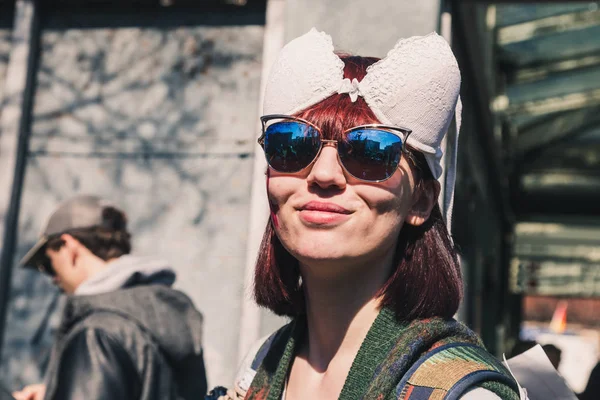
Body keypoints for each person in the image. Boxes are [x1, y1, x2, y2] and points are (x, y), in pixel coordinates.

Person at [208, 29, 522, 400]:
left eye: (372, 152)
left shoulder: (462, 394)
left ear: (421, 202)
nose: (324, 174)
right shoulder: (259, 365)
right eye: (290, 145)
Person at [13, 195, 207, 400]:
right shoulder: (163, 319)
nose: (53, 279)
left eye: (48, 264)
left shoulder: (96, 333)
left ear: (69, 246)